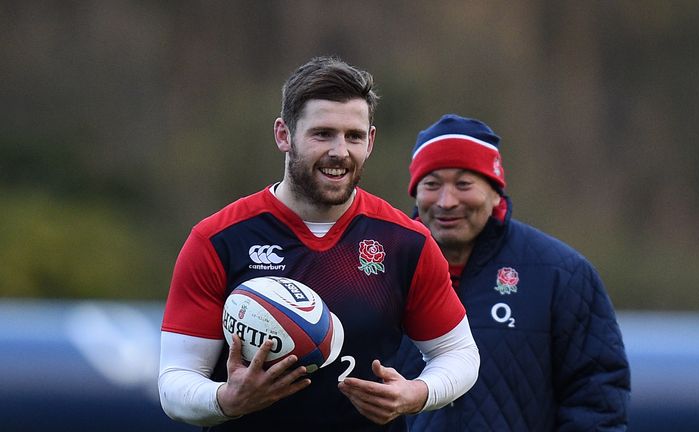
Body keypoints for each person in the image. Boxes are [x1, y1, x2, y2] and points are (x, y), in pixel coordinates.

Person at [157, 58, 479, 431]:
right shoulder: (217, 240)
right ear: (284, 135)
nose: (340, 151)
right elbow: (174, 382)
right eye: (322, 133)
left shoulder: (405, 241)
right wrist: (225, 401)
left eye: (354, 136)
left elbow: (458, 354)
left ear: (370, 141)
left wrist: (418, 393)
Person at [395, 114, 630, 431]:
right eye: (432, 184)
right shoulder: (381, 269)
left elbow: (598, 397)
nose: (446, 201)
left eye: (464, 184)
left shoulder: (561, 274)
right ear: (416, 192)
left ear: (495, 191)